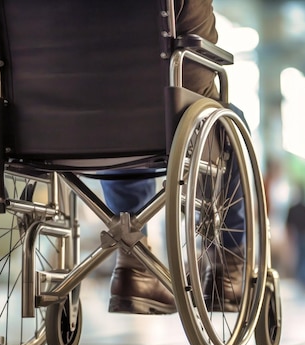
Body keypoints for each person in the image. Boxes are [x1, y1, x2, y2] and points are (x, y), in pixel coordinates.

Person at [102, 0, 243, 315]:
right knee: (231, 121)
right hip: (159, 115)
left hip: (62, 121)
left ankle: (132, 258)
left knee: (114, 114)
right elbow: (199, 63)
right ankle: (228, 269)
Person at [285, 184, 305, 289]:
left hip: (301, 235)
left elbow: (288, 224)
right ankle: (304, 280)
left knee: (303, 257)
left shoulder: (295, 209)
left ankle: (304, 280)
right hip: (302, 235)